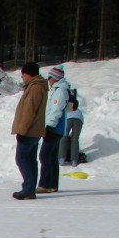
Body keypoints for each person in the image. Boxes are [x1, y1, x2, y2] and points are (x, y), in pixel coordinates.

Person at [10, 62, 48, 200]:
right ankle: (29, 188)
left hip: (30, 131)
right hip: (35, 130)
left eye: (23, 74)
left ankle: (28, 188)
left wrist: (22, 131)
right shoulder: (36, 87)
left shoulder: (35, 89)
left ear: (28, 73)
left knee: (22, 158)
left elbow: (29, 112)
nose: (22, 77)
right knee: (30, 159)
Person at [38, 65, 70, 193]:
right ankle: (52, 185)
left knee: (44, 155)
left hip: (55, 128)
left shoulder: (60, 91)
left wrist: (49, 125)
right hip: (57, 128)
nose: (48, 80)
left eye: (50, 77)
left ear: (55, 78)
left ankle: (45, 184)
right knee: (51, 156)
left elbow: (56, 110)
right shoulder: (57, 90)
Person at [60, 89, 84, 167]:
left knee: (64, 137)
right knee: (75, 139)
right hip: (79, 118)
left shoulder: (66, 100)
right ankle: (74, 160)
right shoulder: (75, 103)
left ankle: (61, 158)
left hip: (68, 117)